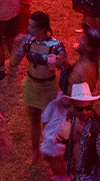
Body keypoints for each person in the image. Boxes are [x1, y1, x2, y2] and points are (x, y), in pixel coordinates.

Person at [10, 11, 67, 159]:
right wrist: (16, 47)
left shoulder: (56, 45)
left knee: (48, 122)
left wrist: (63, 62)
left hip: (48, 86)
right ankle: (35, 150)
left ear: (42, 29)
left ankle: (50, 153)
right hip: (31, 84)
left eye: (32, 28)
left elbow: (65, 69)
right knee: (33, 118)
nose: (28, 30)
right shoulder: (28, 41)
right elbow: (13, 63)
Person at [56, 84, 100, 181]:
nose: (84, 112)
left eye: (88, 107)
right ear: (73, 105)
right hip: (73, 176)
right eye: (79, 109)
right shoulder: (70, 118)